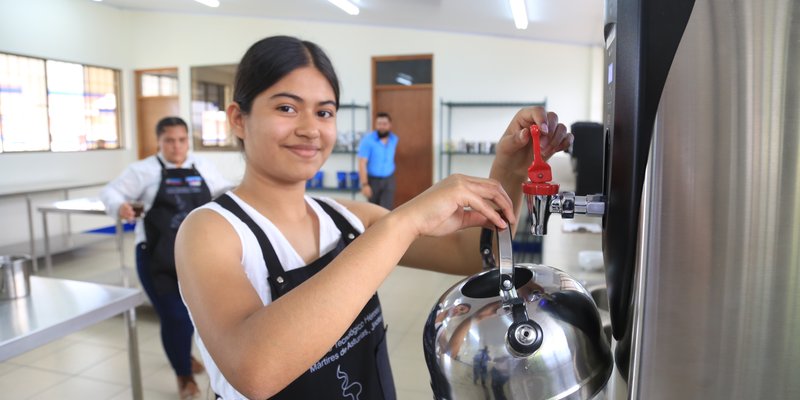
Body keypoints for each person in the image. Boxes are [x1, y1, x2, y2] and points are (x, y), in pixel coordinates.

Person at [174, 35, 572, 400]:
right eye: (286, 107)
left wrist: (511, 169)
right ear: (238, 119)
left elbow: (467, 254)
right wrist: (405, 220)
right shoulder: (210, 231)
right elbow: (255, 369)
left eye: (325, 112)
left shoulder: (347, 217)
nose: (311, 129)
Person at [100, 116, 232, 399]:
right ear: (159, 141)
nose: (176, 147)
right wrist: (119, 205)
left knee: (198, 317)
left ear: (188, 140)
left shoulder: (203, 167)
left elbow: (224, 193)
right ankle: (184, 377)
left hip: (199, 255)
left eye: (182, 140)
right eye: (169, 141)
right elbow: (110, 192)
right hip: (156, 257)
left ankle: (183, 356)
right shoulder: (143, 170)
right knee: (175, 317)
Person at [357, 112, 398, 209]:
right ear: (375, 125)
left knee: (387, 210)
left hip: (389, 179)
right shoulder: (367, 141)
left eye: (384, 124)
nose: (382, 127)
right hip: (373, 181)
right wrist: (364, 184)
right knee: (374, 209)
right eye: (379, 124)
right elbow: (362, 163)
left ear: (389, 125)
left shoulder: (394, 139)